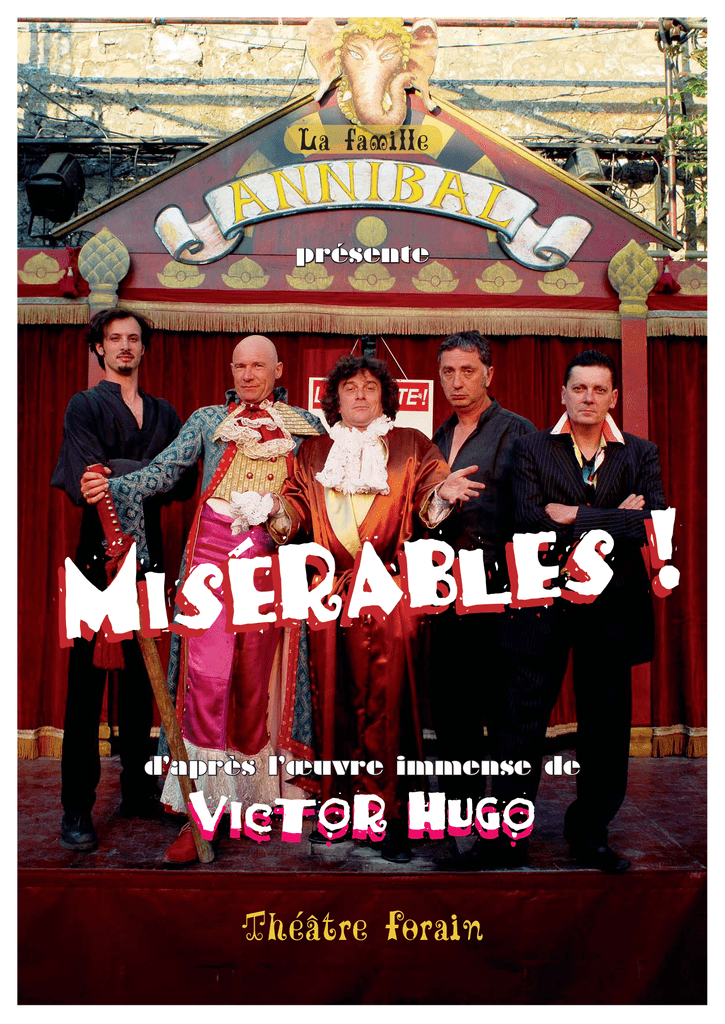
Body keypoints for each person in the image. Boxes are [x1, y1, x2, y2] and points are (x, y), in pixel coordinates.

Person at [82, 335, 325, 865]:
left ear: (278, 370)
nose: (247, 375)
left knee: (258, 684)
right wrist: (114, 486)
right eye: (239, 366)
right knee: (206, 681)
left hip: (271, 562)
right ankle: (201, 814)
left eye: (257, 366)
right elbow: (166, 470)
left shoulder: (308, 426)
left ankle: (256, 804)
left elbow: (320, 494)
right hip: (210, 565)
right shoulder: (208, 419)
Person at [449, 349, 667, 873]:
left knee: (606, 729)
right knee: (518, 726)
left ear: (613, 397)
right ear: (563, 393)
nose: (588, 398)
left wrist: (574, 514)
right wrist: (614, 517)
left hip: (610, 610)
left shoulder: (641, 453)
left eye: (599, 389)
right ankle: (505, 840)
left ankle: (590, 834)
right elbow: (527, 521)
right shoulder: (529, 447)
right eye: (579, 388)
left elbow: (654, 524)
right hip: (539, 604)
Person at [268, 354, 484, 862]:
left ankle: (390, 818)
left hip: (391, 592)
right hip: (330, 593)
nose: (361, 395)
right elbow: (295, 512)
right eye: (350, 388)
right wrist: (273, 509)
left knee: (391, 709)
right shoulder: (313, 452)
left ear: (385, 397)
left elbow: (429, 502)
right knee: (332, 705)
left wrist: (443, 494)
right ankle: (339, 810)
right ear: (335, 399)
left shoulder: (412, 444)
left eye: (370, 387)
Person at [52, 307, 195, 853]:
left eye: (134, 338)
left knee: (141, 685)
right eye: (114, 338)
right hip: (97, 563)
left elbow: (182, 484)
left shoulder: (164, 412)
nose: (125, 346)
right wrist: (151, 473)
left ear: (144, 348)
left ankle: (137, 791)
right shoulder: (84, 405)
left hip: (150, 563)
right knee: (86, 690)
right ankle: (76, 809)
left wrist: (125, 471)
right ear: (100, 348)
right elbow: (91, 480)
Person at [430, 331, 535, 802]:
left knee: (505, 712)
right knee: (452, 710)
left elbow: (534, 514)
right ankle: (461, 812)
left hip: (500, 591)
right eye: (448, 372)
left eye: (468, 371)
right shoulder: (438, 436)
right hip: (444, 591)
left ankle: (508, 817)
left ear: (489, 374)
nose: (457, 382)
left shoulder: (518, 431)